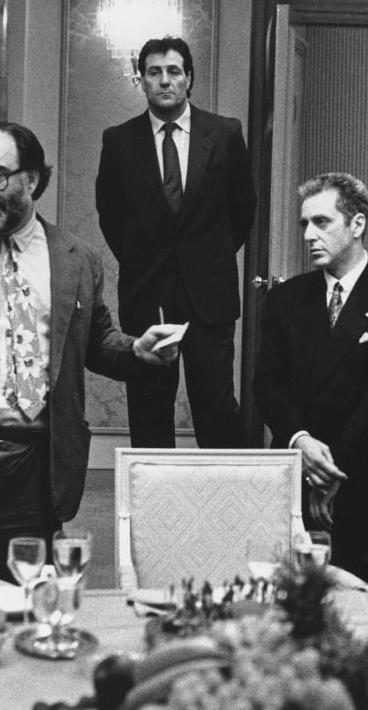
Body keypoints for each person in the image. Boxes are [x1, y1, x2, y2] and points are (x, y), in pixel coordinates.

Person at [0, 121, 182, 581]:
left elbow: (95, 342)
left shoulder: (77, 258)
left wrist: (136, 351)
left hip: (35, 463)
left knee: (28, 596)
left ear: (32, 179)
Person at [254, 172, 368, 582]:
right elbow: (268, 384)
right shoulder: (284, 299)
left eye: (321, 222)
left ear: (357, 224)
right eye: (304, 224)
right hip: (297, 471)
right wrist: (301, 442)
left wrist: (330, 468)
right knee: (298, 601)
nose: (308, 235)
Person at [95, 36, 256, 449]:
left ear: (189, 78)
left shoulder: (225, 133)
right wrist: (141, 261)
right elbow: (111, 215)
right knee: (149, 406)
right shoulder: (118, 141)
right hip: (146, 292)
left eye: (173, 71)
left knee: (216, 407)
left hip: (210, 294)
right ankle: (151, 493)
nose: (164, 80)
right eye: (154, 72)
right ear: (141, 81)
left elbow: (243, 209)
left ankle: (226, 491)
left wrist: (211, 257)